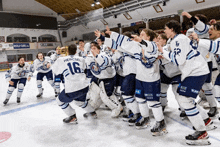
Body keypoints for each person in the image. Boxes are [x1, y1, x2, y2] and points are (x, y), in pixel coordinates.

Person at [158, 20, 214, 145]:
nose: (164, 31)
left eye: (166, 28)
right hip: (194, 70)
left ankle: (201, 132)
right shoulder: (178, 39)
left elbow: (179, 60)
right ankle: (205, 121)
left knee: (184, 100)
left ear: (172, 29)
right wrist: (165, 53)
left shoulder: (179, 39)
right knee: (186, 99)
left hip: (196, 71)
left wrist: (163, 51)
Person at [182, 11, 218, 117]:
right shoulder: (190, 31)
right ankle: (189, 106)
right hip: (192, 62)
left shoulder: (206, 29)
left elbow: (202, 27)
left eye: (195, 20)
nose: (193, 22)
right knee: (189, 85)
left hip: (205, 62)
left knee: (207, 86)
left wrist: (188, 15)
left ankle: (213, 106)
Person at [52, 44, 96, 123]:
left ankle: (72, 116)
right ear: (76, 51)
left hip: (72, 87)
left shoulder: (61, 59)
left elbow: (55, 71)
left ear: (67, 51)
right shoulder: (81, 59)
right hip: (84, 86)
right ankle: (92, 112)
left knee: (59, 100)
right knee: (79, 102)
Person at [85, 42, 123, 118]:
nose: (92, 50)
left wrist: (96, 56)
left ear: (99, 49)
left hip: (107, 78)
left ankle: (118, 108)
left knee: (106, 96)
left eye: (94, 48)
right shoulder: (89, 57)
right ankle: (93, 107)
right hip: (97, 78)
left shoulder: (104, 55)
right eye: (91, 48)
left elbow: (105, 63)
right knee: (95, 94)